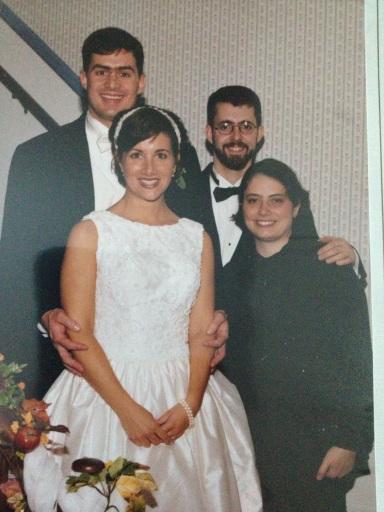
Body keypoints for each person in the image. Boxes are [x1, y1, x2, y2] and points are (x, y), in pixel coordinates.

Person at [24, 106, 263, 512]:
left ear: (176, 162)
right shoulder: (91, 231)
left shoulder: (195, 237)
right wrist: (128, 410)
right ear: (119, 160)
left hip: (184, 398)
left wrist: (191, 405)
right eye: (137, 154)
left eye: (162, 154)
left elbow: (201, 331)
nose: (149, 167)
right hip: (107, 392)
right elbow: (79, 333)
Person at [0, 27, 226, 397]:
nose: (112, 83)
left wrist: (220, 316)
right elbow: (14, 262)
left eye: (124, 72)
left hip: (166, 368)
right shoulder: (36, 157)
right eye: (101, 70)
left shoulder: (177, 151)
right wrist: (46, 314)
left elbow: (202, 245)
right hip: (67, 361)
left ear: (141, 81)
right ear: (83, 78)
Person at [224, 158, 373, 512]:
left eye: (276, 200)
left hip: (316, 448)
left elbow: (358, 362)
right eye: (253, 199)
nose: (263, 210)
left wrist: (349, 441)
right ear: (242, 205)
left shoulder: (329, 268)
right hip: (248, 447)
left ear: (296, 207)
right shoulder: (230, 275)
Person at [191, 86, 363, 307]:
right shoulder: (181, 196)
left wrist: (352, 258)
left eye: (246, 126)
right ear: (209, 133)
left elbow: (309, 268)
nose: (236, 137)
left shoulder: (287, 198)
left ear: (259, 133)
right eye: (225, 126)